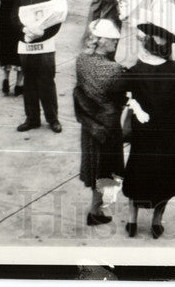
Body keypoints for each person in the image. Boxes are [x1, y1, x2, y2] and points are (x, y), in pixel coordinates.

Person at [122, 22, 175, 238]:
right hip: (170, 134)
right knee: (165, 176)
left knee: (138, 172)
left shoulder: (135, 71)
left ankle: (132, 220)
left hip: (144, 134)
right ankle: (156, 222)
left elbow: (126, 98)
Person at [73, 19, 127, 226]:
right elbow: (121, 98)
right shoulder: (115, 70)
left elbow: (81, 91)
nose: (116, 43)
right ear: (103, 42)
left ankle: (96, 209)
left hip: (89, 126)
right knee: (106, 170)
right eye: (113, 40)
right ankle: (96, 210)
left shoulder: (81, 60)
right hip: (108, 128)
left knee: (93, 167)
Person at [12, 0, 64, 133]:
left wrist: (41, 34)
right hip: (26, 44)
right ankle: (32, 118)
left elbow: (56, 22)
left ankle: (53, 119)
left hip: (44, 46)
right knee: (29, 82)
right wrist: (23, 30)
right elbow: (14, 17)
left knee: (46, 82)